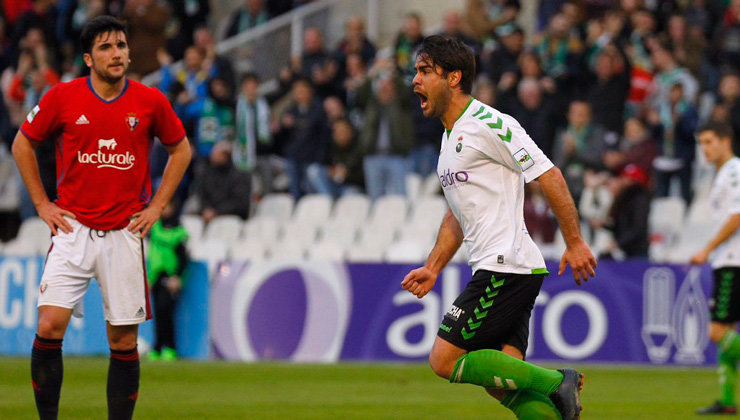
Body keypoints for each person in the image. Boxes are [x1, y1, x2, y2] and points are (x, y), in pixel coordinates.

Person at [401, 35, 596, 420]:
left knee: (444, 359)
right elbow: (457, 212)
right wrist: (434, 267)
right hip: (507, 267)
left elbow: (549, 174)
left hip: (504, 265)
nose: (415, 81)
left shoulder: (490, 123)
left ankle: (556, 381)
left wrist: (574, 242)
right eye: (416, 72)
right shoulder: (449, 137)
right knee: (500, 380)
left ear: (453, 77)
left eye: (424, 71)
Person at [11, 16, 191, 420]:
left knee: (123, 340)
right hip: (72, 228)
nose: (118, 54)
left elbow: (181, 150)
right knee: (49, 326)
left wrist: (157, 206)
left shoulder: (150, 101)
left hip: (124, 232)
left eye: (122, 46)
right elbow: (23, 143)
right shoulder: (62, 97)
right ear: (88, 58)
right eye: (108, 47)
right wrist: (42, 204)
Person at [690, 121, 740, 415]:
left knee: (718, 332)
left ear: (724, 140)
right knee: (727, 330)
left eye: (709, 141)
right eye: (701, 143)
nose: (705, 149)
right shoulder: (723, 173)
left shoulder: (733, 171)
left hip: (733, 260)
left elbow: (736, 216)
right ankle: (728, 399)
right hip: (728, 260)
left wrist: (707, 248)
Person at [146, 198, 189, 362]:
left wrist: (177, 277)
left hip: (170, 277)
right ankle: (157, 347)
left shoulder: (179, 231)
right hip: (156, 276)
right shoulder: (155, 228)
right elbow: (152, 253)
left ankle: (170, 347)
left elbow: (183, 258)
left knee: (167, 312)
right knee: (157, 312)